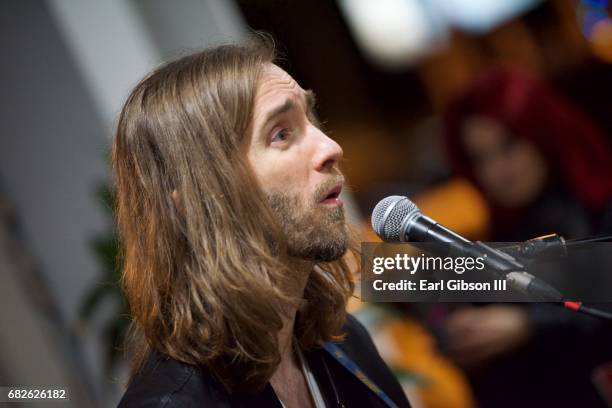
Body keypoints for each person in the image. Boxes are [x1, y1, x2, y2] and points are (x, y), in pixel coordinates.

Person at [112, 35, 411, 407]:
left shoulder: (345, 343)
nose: (331, 148)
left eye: (310, 118)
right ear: (198, 199)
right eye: (281, 133)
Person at [441, 66, 612, 407]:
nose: (496, 172)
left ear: (542, 133)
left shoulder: (601, 206)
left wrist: (527, 325)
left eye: (508, 146)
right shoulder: (503, 234)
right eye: (481, 159)